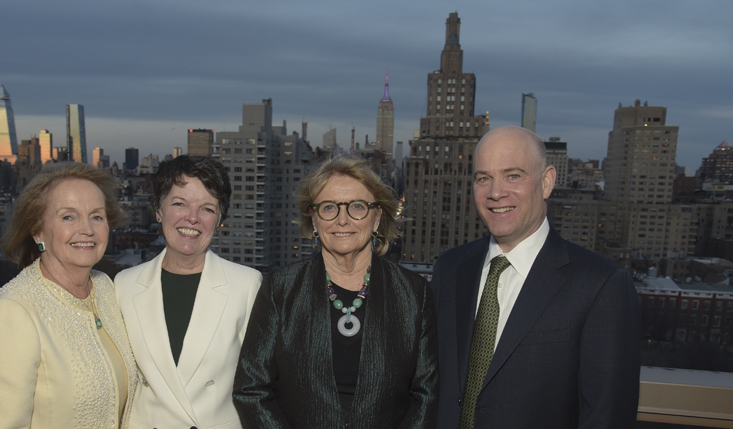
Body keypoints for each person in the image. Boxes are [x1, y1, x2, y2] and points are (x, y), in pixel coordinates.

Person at [431, 126, 641, 428]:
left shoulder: (601, 285)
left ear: (546, 182)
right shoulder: (450, 269)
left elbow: (606, 417)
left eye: (513, 175)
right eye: (483, 178)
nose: (495, 192)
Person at [234, 155, 439, 428]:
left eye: (357, 207)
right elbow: (251, 390)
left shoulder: (414, 294)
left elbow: (425, 396)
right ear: (315, 220)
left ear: (377, 217)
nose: (343, 220)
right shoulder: (279, 290)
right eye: (329, 208)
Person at [0, 162, 138, 428]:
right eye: (68, 217)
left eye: (97, 216)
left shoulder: (104, 288)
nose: (88, 230)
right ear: (37, 230)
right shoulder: (12, 314)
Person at [115, 155, 262, 428]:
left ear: (219, 220)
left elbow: (264, 387)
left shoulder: (248, 285)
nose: (192, 218)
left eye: (207, 209)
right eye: (179, 203)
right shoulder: (124, 285)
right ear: (159, 210)